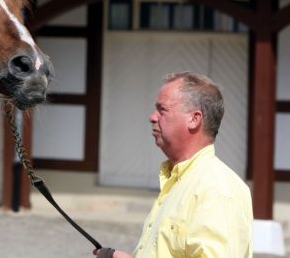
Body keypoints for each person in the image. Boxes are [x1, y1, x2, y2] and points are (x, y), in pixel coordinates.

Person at [94, 72, 253, 258]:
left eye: (163, 110)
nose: (152, 117)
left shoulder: (217, 189)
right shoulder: (180, 180)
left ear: (194, 119)